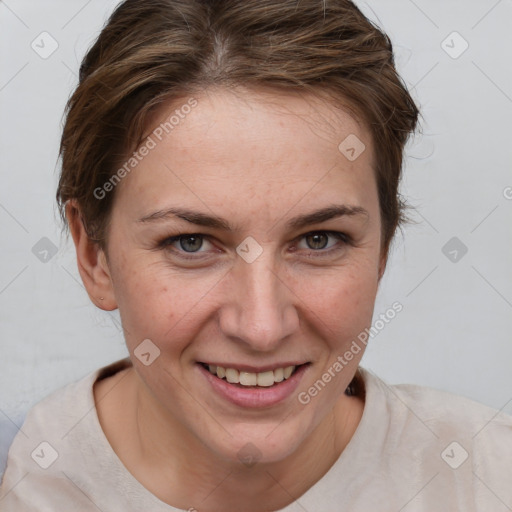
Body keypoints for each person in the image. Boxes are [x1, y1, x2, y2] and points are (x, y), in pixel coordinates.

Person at [1, 0, 511, 510]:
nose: (262, 327)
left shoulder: (487, 476)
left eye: (319, 239)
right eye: (191, 243)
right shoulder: (24, 480)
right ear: (95, 257)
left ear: (382, 249)